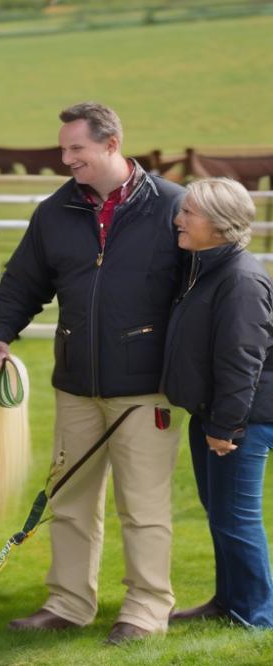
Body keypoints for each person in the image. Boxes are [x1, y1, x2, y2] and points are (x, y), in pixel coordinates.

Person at [0, 102, 186, 644]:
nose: (65, 159)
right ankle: (69, 603)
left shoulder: (172, 207)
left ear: (112, 143)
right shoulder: (55, 212)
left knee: (142, 507)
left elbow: (202, 295)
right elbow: (23, 282)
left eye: (77, 149)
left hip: (147, 391)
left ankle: (145, 611)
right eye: (63, 149)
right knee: (68, 501)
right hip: (75, 386)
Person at [161, 177, 273, 628]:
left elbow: (240, 361)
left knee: (237, 520)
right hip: (214, 415)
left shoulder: (241, 280)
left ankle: (258, 617)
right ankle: (228, 601)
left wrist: (225, 427)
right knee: (222, 515)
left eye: (188, 213)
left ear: (220, 224)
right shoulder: (205, 270)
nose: (178, 220)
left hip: (241, 421)